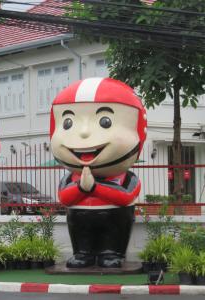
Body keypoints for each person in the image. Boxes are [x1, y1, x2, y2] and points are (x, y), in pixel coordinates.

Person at [50, 77, 147, 268]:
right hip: (79, 218)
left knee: (113, 241)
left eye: (105, 121)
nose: (85, 133)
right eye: (68, 123)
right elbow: (64, 197)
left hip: (116, 218)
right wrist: (80, 187)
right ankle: (82, 252)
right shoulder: (71, 177)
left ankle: (113, 252)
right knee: (80, 240)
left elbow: (126, 196)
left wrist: (94, 187)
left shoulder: (126, 177)